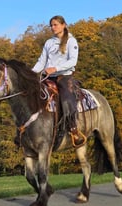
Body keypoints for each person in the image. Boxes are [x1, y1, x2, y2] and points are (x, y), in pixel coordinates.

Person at [32, 15, 84, 147]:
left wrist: (55, 68)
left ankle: (73, 129)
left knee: (66, 98)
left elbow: (73, 61)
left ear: (63, 25)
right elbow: (41, 61)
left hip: (63, 76)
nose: (53, 27)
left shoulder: (71, 41)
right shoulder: (49, 42)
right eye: (51, 25)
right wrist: (31, 74)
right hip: (48, 77)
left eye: (55, 25)